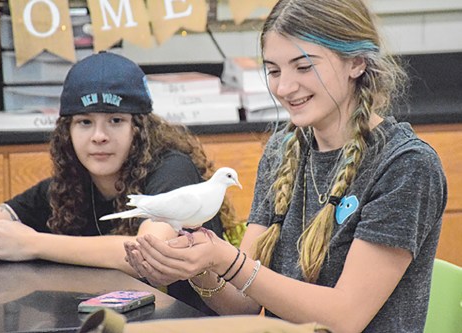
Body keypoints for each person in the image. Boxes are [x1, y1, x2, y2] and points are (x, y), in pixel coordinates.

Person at [124, 0, 448, 332]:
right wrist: (195, 263)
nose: (284, 88)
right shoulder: (283, 149)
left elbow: (344, 317)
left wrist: (223, 259)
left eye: (304, 67)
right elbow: (243, 301)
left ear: (357, 63)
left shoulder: (406, 166)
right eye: (274, 70)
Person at [0, 51, 242, 315]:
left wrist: (33, 244)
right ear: (66, 132)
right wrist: (9, 240)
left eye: (115, 120)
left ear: (140, 129)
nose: (99, 136)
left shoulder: (172, 169)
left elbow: (148, 250)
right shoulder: (67, 188)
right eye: (84, 122)